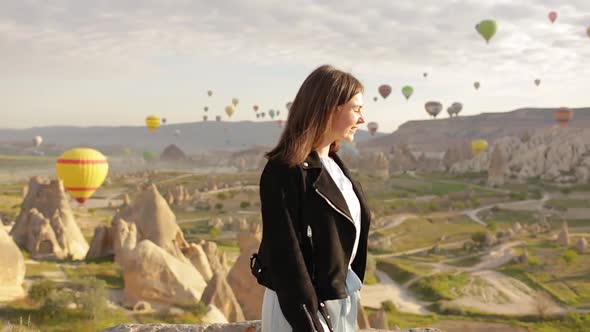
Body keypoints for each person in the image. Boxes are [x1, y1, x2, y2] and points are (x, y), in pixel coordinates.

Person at [250, 65, 372, 332]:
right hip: (300, 310)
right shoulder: (284, 170)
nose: (362, 119)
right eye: (356, 109)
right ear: (329, 108)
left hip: (338, 300)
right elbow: (286, 256)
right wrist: (310, 321)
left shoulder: (335, 166)